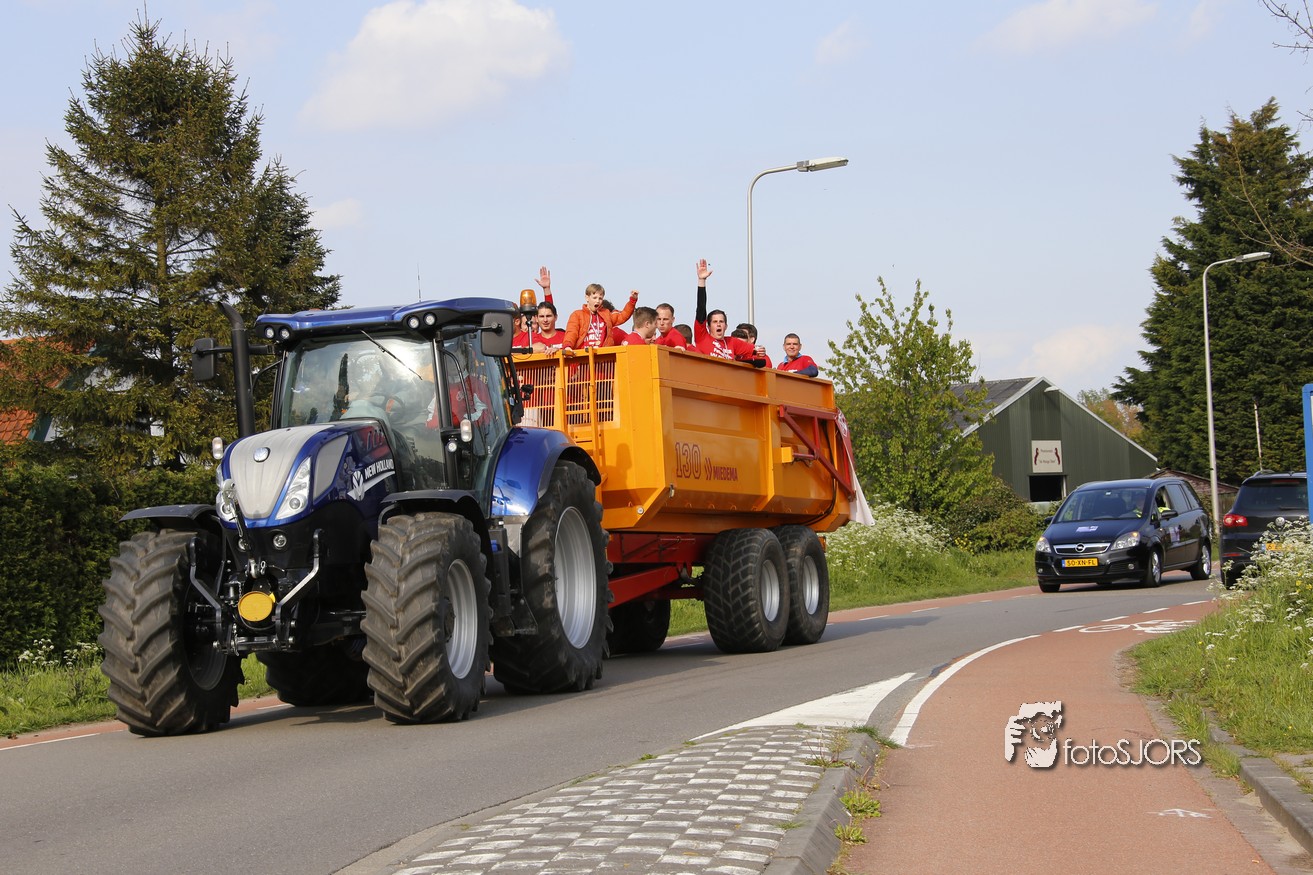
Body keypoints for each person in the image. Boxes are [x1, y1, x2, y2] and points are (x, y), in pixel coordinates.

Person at [692, 259, 765, 365]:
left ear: (726, 326)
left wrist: (760, 350)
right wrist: (701, 281)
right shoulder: (702, 337)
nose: (718, 324)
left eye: (721, 321)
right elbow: (701, 309)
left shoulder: (731, 342)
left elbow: (755, 350)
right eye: (715, 322)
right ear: (708, 326)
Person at [562, 283, 638, 349]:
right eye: (594, 298)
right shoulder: (577, 315)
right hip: (584, 356)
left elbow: (622, 316)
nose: (597, 301)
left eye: (600, 298)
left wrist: (632, 301)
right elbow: (571, 332)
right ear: (587, 298)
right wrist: (567, 346)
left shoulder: (606, 314)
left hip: (603, 356)